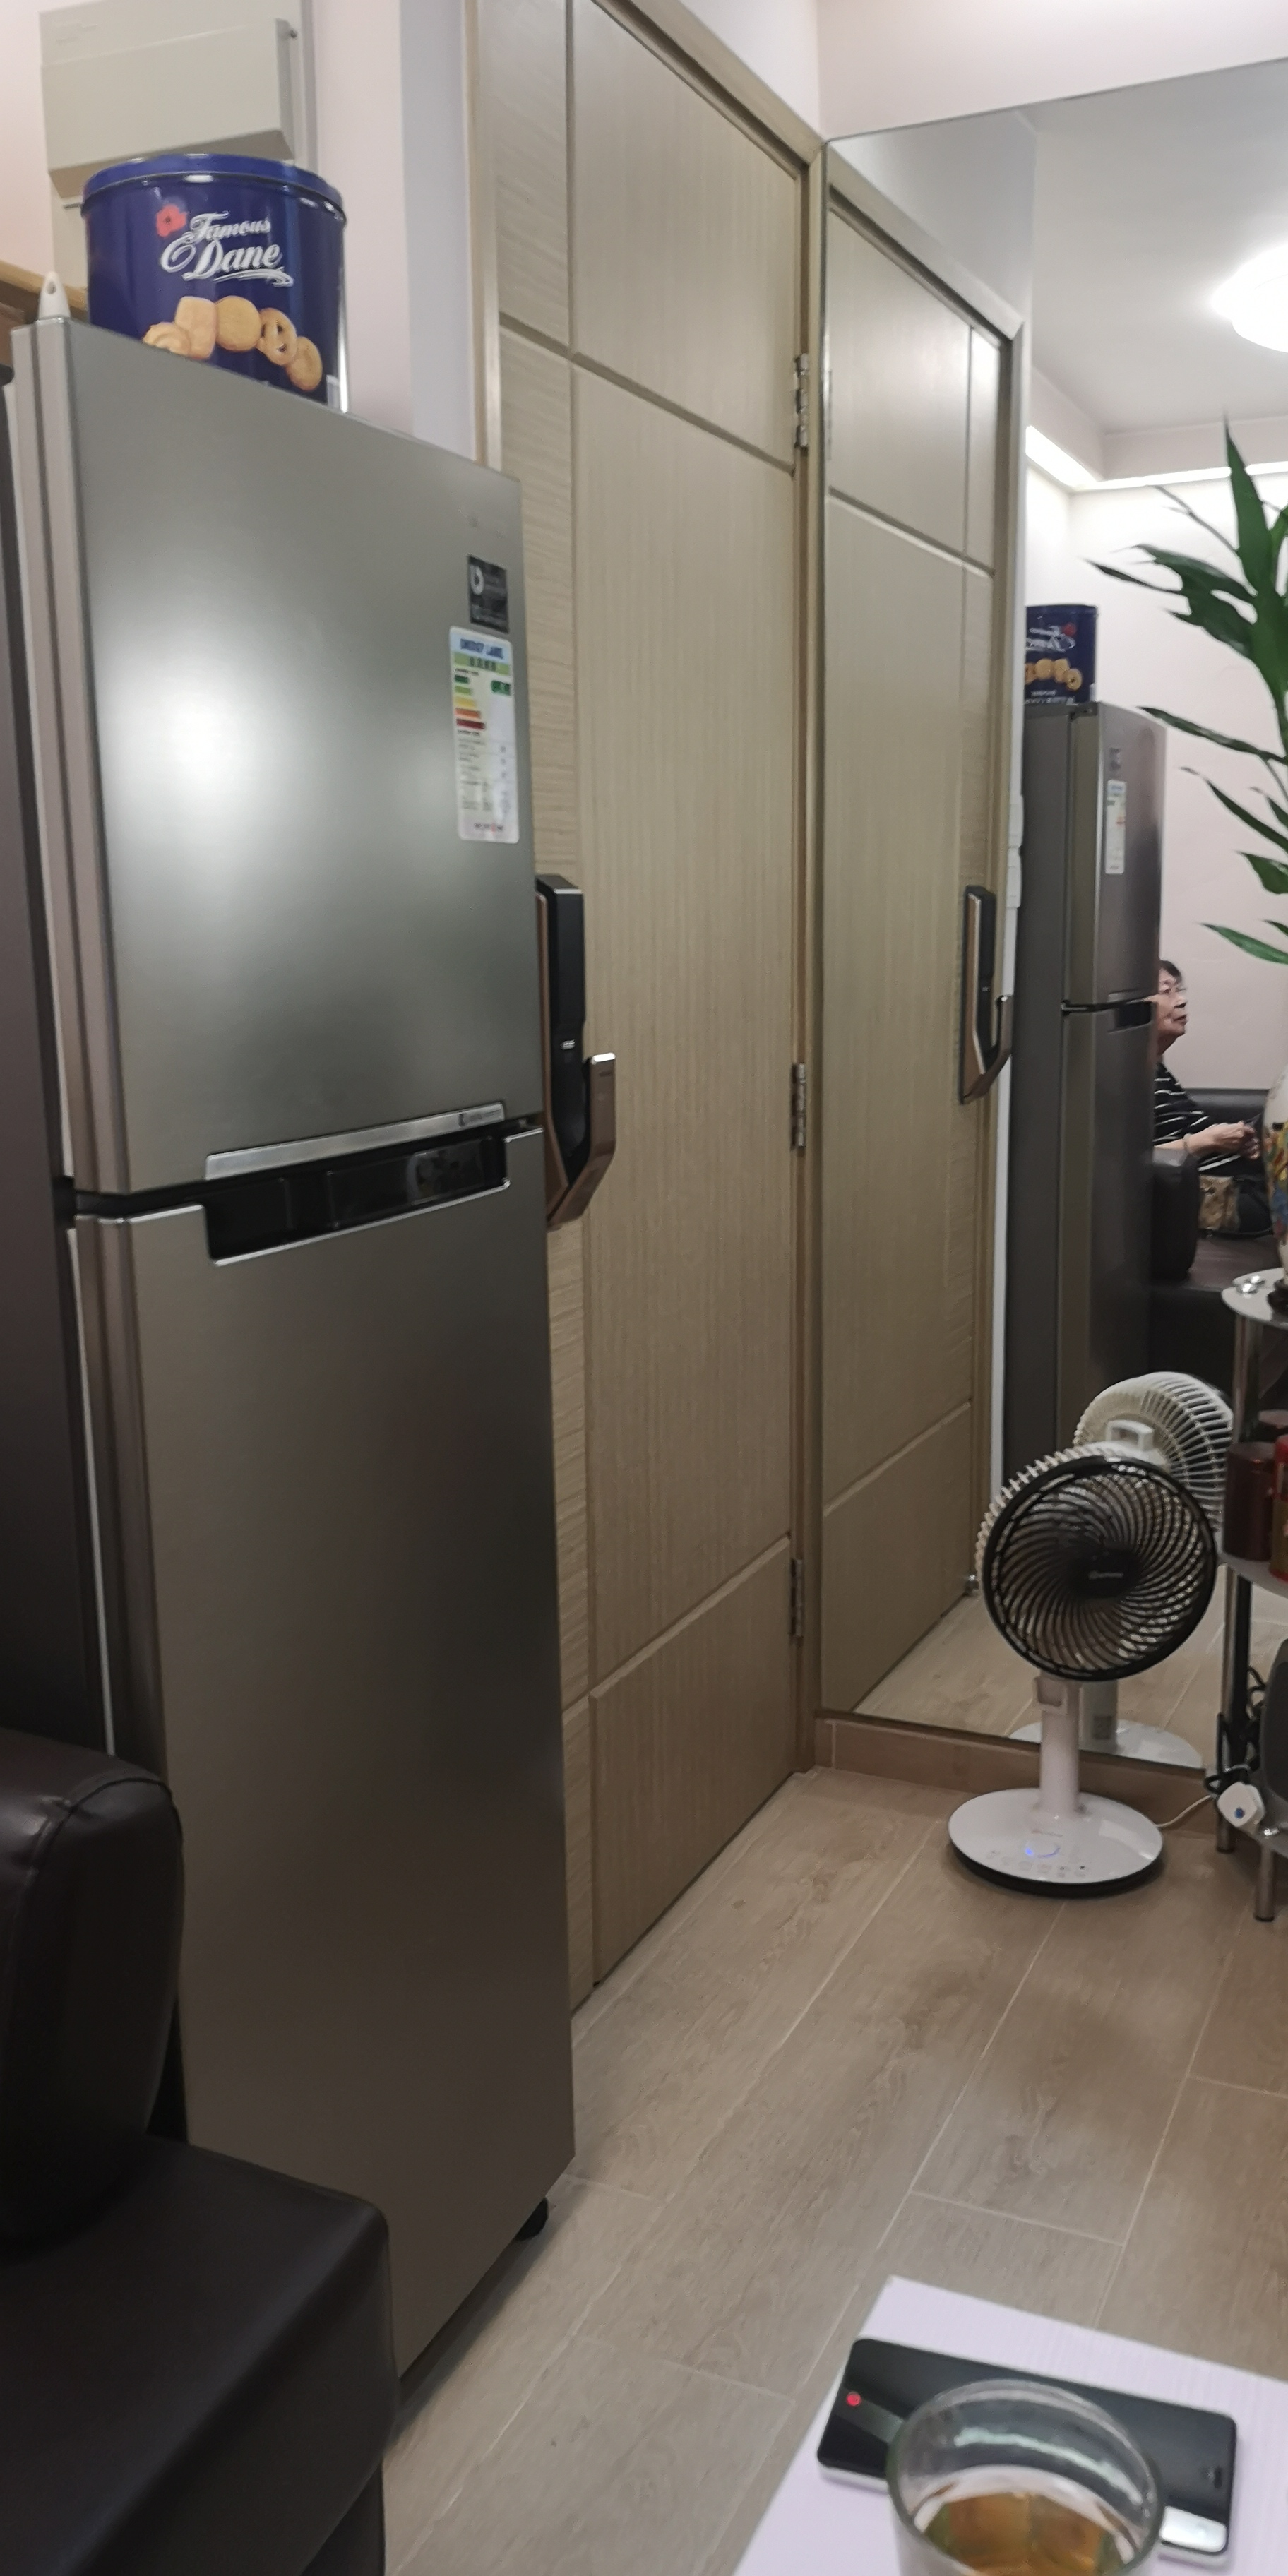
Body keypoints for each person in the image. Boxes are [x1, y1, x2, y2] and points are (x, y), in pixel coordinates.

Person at [1152, 959, 1269, 1233]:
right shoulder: (1122, 1077)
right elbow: (1126, 1162)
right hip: (1215, 1197)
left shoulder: (1155, 1069)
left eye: (1179, 990)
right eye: (1167, 991)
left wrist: (1239, 1142)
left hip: (1240, 1179)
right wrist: (1208, 1141)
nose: (1181, 1001)